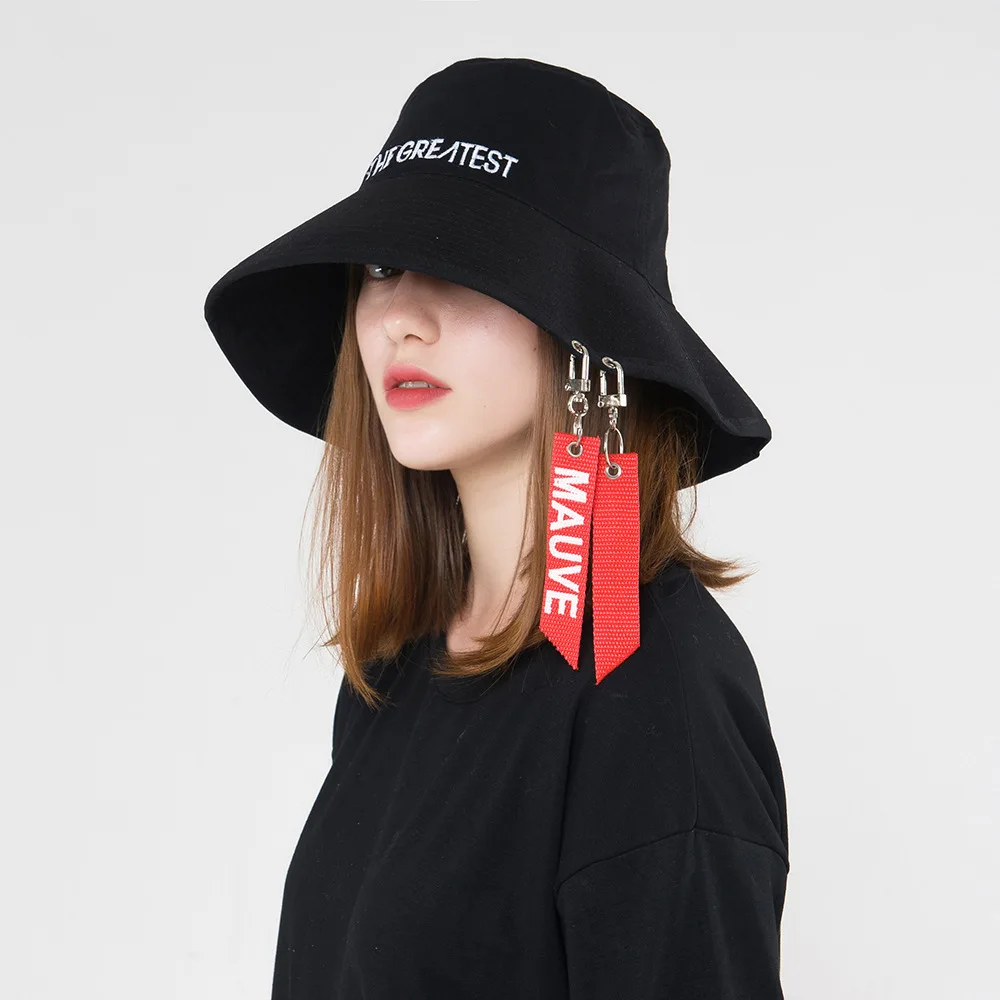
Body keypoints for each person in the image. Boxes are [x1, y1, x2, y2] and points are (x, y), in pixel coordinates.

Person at [204, 56, 789, 999]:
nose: (401, 319)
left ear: (592, 334)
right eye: (383, 267)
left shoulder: (653, 687)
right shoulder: (397, 668)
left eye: (467, 264)